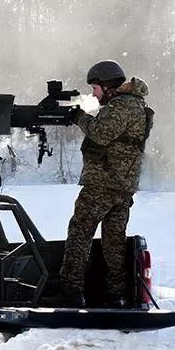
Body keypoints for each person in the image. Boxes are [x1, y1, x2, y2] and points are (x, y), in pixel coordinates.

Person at [58, 60, 153, 308]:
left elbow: (100, 133)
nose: (93, 93)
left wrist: (79, 118)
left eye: (96, 88)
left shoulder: (122, 106)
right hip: (122, 187)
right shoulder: (135, 106)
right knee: (114, 243)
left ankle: (72, 292)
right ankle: (116, 296)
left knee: (80, 232)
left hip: (103, 184)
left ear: (109, 86)